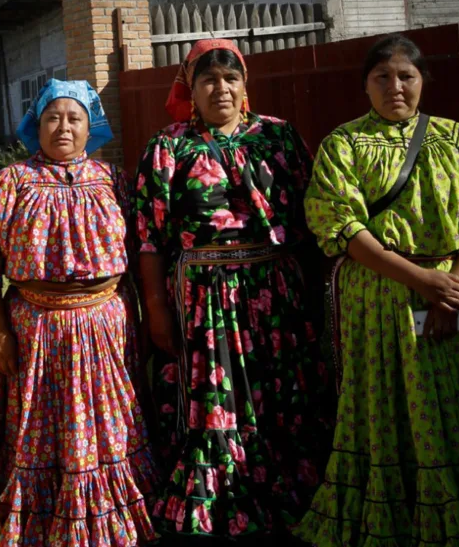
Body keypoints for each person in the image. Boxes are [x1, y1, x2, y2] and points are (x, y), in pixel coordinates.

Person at [295, 34, 459, 546]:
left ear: (423, 81)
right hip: (384, 295)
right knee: (394, 403)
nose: (395, 86)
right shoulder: (345, 144)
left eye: (406, 76)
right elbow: (340, 226)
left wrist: (453, 289)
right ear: (365, 84)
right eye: (382, 77)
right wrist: (422, 280)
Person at [134, 39, 334, 543]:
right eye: (208, 80)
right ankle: (218, 505)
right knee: (213, 401)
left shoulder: (279, 137)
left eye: (230, 79)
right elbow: (149, 238)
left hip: (274, 294)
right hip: (204, 299)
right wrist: (157, 308)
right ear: (191, 89)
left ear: (244, 87)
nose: (220, 88)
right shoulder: (169, 146)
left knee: (281, 396)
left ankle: (286, 494)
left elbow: (311, 222)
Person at [0, 79, 159, 546]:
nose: (63, 127)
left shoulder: (113, 179)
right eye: (53, 117)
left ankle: (113, 515)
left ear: (90, 125)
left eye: (74, 118)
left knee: (108, 422)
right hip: (37, 325)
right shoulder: (11, 182)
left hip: (106, 323)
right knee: (42, 425)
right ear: (37, 123)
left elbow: (140, 255)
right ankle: (47, 515)